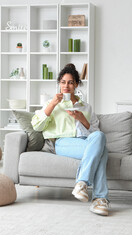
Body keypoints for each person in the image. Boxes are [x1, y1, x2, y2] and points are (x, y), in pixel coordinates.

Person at [31, 64, 110, 216]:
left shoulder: (86, 107)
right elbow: (37, 126)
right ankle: (99, 199)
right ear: (59, 84)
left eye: (70, 82)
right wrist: (53, 104)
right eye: (63, 82)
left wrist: (82, 119)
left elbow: (95, 134)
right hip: (63, 142)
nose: (66, 86)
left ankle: (82, 184)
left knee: (100, 141)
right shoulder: (52, 103)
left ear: (76, 85)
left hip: (85, 142)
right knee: (102, 152)